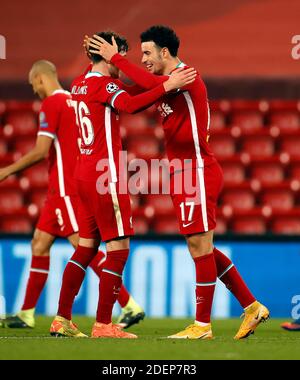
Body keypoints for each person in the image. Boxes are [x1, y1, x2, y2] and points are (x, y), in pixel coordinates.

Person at [87, 25, 270, 340]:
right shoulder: (168, 82)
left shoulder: (186, 77)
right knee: (202, 247)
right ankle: (251, 306)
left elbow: (146, 83)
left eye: (146, 53)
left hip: (196, 169)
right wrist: (98, 68)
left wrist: (115, 56)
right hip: (182, 172)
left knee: (200, 246)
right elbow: (137, 91)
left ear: (164, 52)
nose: (142, 59)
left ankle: (202, 326)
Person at [50, 31, 196, 339]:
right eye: (120, 56)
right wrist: (168, 85)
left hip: (83, 173)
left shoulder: (80, 82)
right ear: (105, 55)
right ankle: (104, 324)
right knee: (117, 250)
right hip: (106, 176)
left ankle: (62, 318)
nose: (125, 63)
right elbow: (130, 104)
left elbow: (132, 87)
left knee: (87, 248)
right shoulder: (105, 85)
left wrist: (101, 55)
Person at [0, 60, 144, 331]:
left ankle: (128, 304)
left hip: (66, 190)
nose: (34, 91)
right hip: (66, 187)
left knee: (85, 248)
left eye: (34, 85)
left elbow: (42, 151)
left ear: (41, 78)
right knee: (40, 244)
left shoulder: (52, 104)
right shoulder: (76, 97)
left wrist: (7, 170)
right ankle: (27, 313)